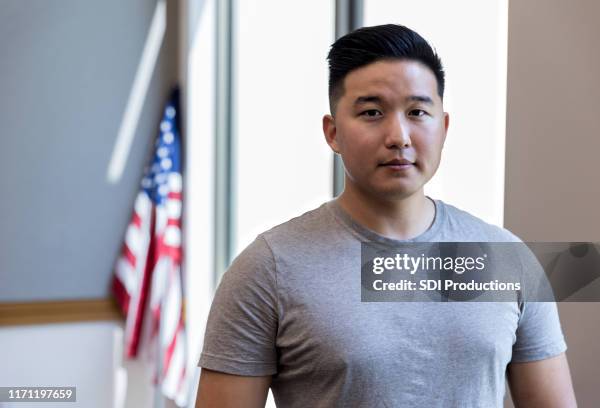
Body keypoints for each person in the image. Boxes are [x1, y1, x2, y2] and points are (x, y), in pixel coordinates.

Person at [195, 24, 577, 407]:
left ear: (443, 128)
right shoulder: (269, 268)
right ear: (332, 133)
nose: (399, 136)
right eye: (372, 112)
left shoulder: (505, 259)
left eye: (417, 112)